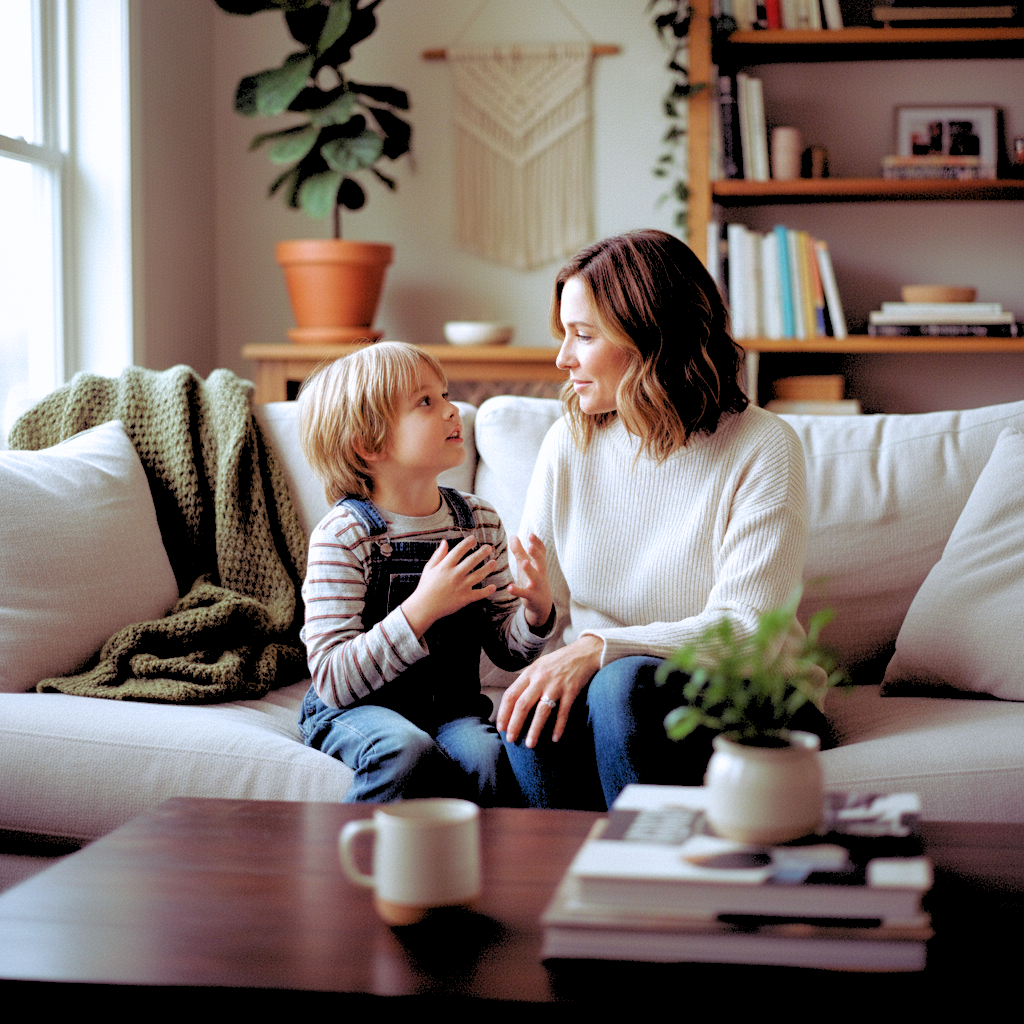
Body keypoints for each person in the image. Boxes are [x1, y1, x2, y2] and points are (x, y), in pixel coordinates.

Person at [496, 229, 828, 810]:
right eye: (563, 336)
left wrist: (602, 647)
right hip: (607, 688)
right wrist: (542, 617)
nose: (562, 359)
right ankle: (569, 888)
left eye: (583, 336)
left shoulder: (762, 446)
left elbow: (749, 635)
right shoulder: (567, 442)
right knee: (534, 711)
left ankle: (653, 878)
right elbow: (550, 626)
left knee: (620, 687)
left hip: (748, 695)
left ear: (649, 339)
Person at [297, 341, 554, 804]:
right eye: (425, 402)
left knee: (490, 759)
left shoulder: (478, 521)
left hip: (451, 710)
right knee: (404, 750)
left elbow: (507, 650)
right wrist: (421, 610)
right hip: (355, 709)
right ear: (368, 444)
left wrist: (535, 614)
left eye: (446, 394)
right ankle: (359, 873)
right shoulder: (344, 535)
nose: (452, 410)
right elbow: (333, 679)